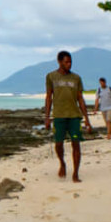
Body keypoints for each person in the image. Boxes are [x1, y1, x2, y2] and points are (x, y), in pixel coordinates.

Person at [42, 50, 87, 181]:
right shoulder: (51, 76)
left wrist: (87, 119)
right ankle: (62, 163)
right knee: (59, 144)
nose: (69, 64)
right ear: (60, 62)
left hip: (74, 117)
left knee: (76, 143)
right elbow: (48, 97)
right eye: (66, 62)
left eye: (70, 61)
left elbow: (80, 98)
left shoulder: (76, 78)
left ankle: (75, 173)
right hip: (59, 117)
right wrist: (47, 118)